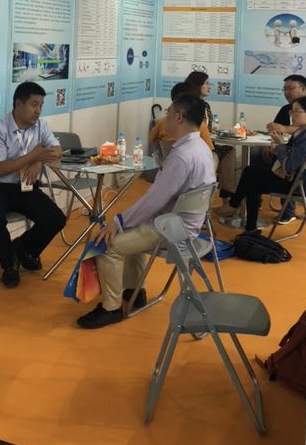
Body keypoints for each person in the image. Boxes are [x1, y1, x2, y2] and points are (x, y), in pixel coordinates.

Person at [76, 93, 216, 329]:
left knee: (107, 245)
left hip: (171, 228)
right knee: (133, 226)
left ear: (179, 117)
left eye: (169, 113)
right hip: (186, 224)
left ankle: (111, 308)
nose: (165, 118)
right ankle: (134, 291)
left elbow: (154, 200)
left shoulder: (182, 156)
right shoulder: (201, 147)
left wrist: (118, 221)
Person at [0, 81, 65, 288]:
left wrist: (37, 161)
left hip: (23, 186)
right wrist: (33, 156)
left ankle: (23, 249)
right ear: (18, 104)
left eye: (41, 105)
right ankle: (9, 263)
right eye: (34, 105)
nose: (38, 110)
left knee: (55, 218)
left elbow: (57, 150)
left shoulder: (41, 125)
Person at [216, 96, 306, 232]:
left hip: (300, 185)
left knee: (251, 176)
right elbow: (292, 155)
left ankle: (237, 210)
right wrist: (281, 145)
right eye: (292, 111)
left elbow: (289, 165)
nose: (292, 115)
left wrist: (279, 146)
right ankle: (247, 223)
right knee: (251, 174)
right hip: (300, 180)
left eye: (297, 111)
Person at [184, 70, 237, 199]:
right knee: (217, 156)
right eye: (206, 83)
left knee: (229, 151)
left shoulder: (204, 105)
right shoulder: (194, 106)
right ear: (197, 85)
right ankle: (217, 195)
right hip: (200, 148)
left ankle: (227, 192)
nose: (209, 86)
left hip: (207, 145)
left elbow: (206, 128)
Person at [149, 81, 214, 158]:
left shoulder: (161, 122)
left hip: (165, 160)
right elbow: (209, 150)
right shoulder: (199, 125)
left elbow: (151, 140)